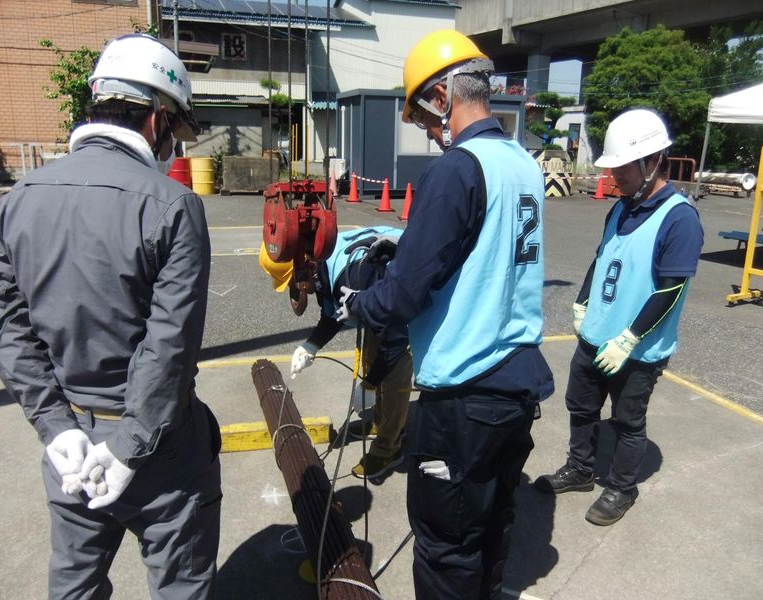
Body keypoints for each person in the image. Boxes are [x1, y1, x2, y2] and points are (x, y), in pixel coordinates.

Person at [0, 34, 222, 599]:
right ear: (157, 117)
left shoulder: (19, 198)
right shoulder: (172, 206)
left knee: (75, 582)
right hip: (159, 444)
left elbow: (2, 322)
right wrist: (130, 445)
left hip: (72, 445)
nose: (172, 147)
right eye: (174, 130)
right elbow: (170, 347)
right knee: (181, 585)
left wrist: (55, 427)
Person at [335, 30, 554, 600]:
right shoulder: (523, 164)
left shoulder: (458, 169)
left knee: (445, 544)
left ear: (440, 96)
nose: (430, 133)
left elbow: (406, 293)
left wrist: (359, 302)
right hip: (516, 385)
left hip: (463, 397)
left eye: (424, 118)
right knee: (491, 527)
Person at [533, 108, 704, 526]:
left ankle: (621, 487)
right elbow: (603, 257)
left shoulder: (679, 218)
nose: (615, 175)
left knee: (627, 421)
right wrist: (583, 302)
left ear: (651, 161)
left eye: (623, 166)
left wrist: (629, 338)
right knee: (581, 407)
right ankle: (580, 468)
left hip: (638, 349)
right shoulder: (622, 208)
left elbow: (672, 287)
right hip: (596, 336)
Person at [260, 226, 413, 480]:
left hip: (403, 295)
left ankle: (389, 447)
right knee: (372, 352)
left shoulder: (356, 274)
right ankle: (381, 420)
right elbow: (334, 310)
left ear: (304, 266)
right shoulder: (322, 258)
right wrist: (311, 346)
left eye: (295, 286)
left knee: (394, 370)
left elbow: (395, 339)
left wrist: (370, 384)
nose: (299, 292)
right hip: (380, 296)